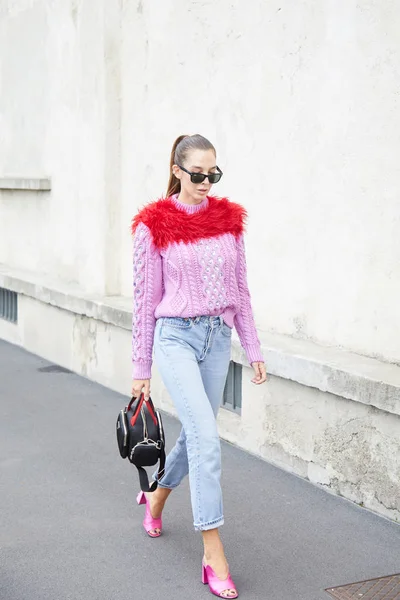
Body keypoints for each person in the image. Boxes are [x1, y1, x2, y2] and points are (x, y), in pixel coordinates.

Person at [131, 134, 267, 599]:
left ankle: (156, 498)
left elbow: (241, 290)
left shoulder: (229, 221)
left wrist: (253, 349)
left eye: (214, 174)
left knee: (196, 433)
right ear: (177, 170)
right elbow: (144, 300)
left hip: (216, 339)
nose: (206, 182)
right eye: (198, 173)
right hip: (176, 338)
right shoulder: (154, 225)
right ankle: (212, 550)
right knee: (207, 438)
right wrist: (141, 366)